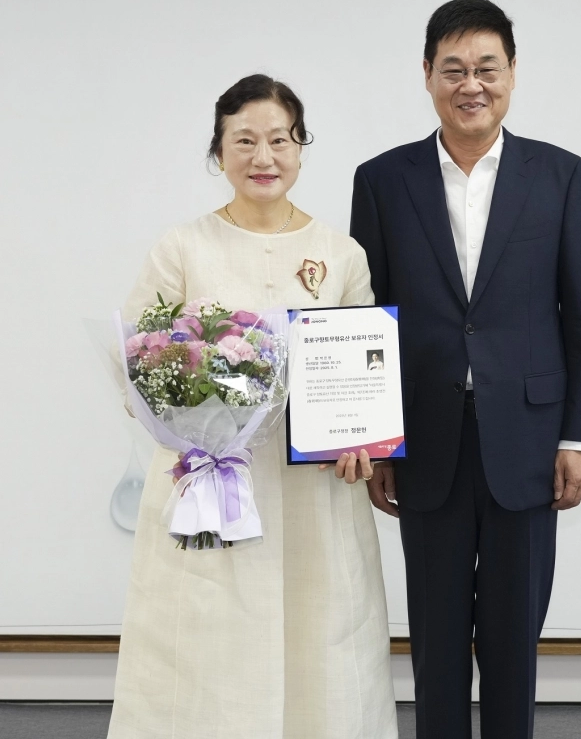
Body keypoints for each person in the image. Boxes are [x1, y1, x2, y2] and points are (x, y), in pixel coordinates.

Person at [108, 74, 397, 739]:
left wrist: (365, 438)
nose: (263, 157)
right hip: (212, 484)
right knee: (209, 634)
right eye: (244, 141)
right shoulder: (182, 247)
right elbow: (137, 367)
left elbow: (367, 367)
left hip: (314, 488)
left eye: (279, 140)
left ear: (301, 147)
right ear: (219, 152)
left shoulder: (339, 252)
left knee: (323, 625)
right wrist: (188, 415)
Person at [350, 0, 581, 739]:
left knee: (512, 640)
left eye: (487, 69)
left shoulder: (560, 175)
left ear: (512, 73)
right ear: (427, 74)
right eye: (454, 69)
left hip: (528, 440)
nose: (472, 85)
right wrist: (377, 441)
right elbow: (371, 318)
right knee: (434, 644)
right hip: (426, 440)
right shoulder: (383, 180)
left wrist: (580, 438)